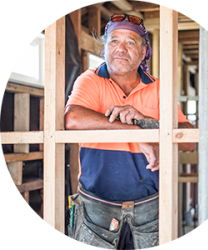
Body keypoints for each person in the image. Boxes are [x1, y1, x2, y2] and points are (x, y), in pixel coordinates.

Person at [64, 14, 195, 250]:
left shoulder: (158, 88)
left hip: (150, 210)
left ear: (144, 51)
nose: (120, 49)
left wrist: (146, 121)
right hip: (96, 210)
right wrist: (135, 132)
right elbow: (72, 119)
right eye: (113, 41)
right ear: (105, 48)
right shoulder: (91, 80)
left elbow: (189, 141)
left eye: (130, 42)